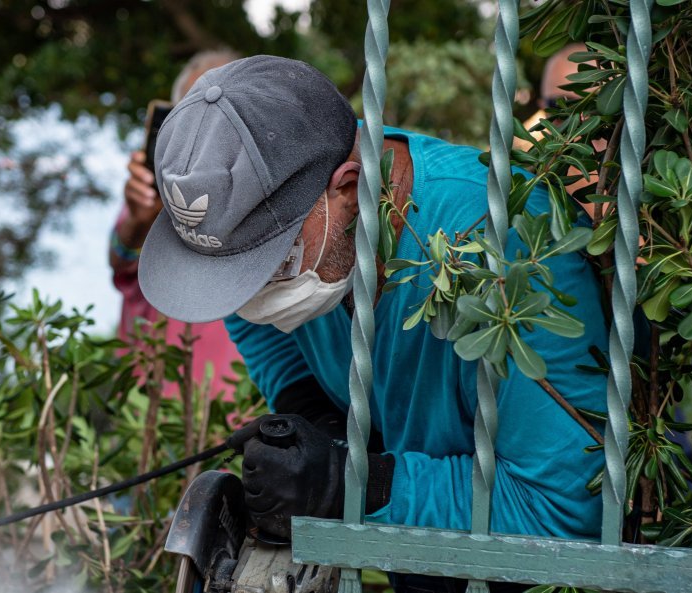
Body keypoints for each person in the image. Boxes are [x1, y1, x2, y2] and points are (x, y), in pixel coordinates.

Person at [138, 56, 608, 592]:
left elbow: (565, 513)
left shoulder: (509, 244)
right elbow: (256, 325)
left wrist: (357, 485)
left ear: (349, 185)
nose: (248, 300)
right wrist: (311, 414)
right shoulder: (311, 233)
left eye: (269, 266)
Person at [109, 49, 241, 399]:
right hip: (154, 409)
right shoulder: (152, 195)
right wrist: (140, 220)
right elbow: (121, 259)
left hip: (242, 407)